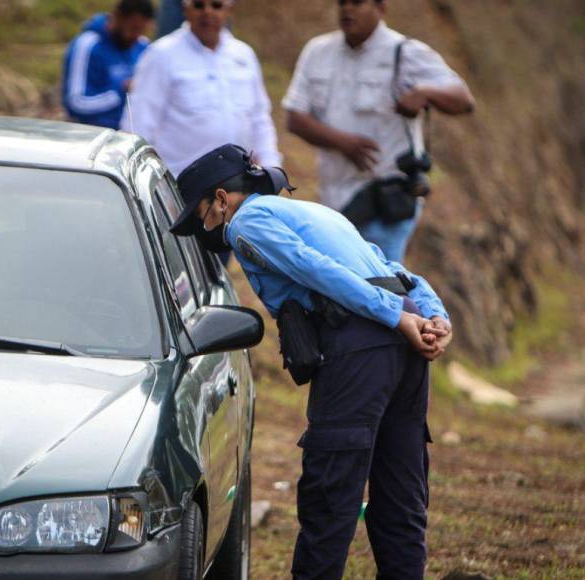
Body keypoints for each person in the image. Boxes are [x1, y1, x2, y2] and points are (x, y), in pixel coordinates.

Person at [170, 143, 453, 580]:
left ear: (222, 199)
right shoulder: (316, 213)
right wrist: (434, 316)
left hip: (360, 346)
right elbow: (392, 268)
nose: (206, 228)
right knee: (402, 498)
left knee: (329, 498)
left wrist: (394, 318)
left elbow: (317, 270)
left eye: (203, 214)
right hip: (405, 349)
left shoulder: (247, 223)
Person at [283, 0, 474, 263]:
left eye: (357, 3)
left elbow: (463, 100)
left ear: (381, 7)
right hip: (334, 199)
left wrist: (424, 92)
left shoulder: (405, 52)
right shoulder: (318, 51)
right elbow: (294, 118)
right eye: (342, 3)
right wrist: (343, 143)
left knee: (382, 286)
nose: (347, 10)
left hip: (386, 202)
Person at [120, 0, 281, 177]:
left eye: (216, 5)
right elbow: (138, 125)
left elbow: (260, 119)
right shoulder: (161, 55)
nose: (207, 12)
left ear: (229, 10)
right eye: (198, 5)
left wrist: (271, 171)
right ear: (185, 9)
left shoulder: (244, 55)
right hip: (178, 186)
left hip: (240, 184)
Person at [61, 0, 154, 129]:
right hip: (94, 134)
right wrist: (121, 91)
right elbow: (75, 103)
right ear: (117, 17)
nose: (135, 36)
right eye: (133, 29)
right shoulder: (88, 45)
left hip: (133, 134)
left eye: (141, 30)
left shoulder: (143, 46)